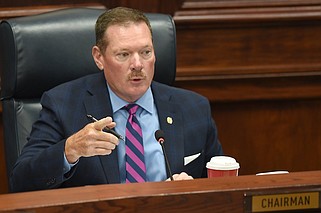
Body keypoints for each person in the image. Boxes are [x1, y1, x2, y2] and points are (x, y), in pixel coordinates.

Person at [10, 7, 223, 192]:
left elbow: (220, 185)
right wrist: (70, 149)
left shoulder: (193, 108)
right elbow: (21, 181)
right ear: (99, 57)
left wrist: (193, 189)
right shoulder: (63, 105)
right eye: (124, 54)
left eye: (146, 52)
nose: (138, 64)